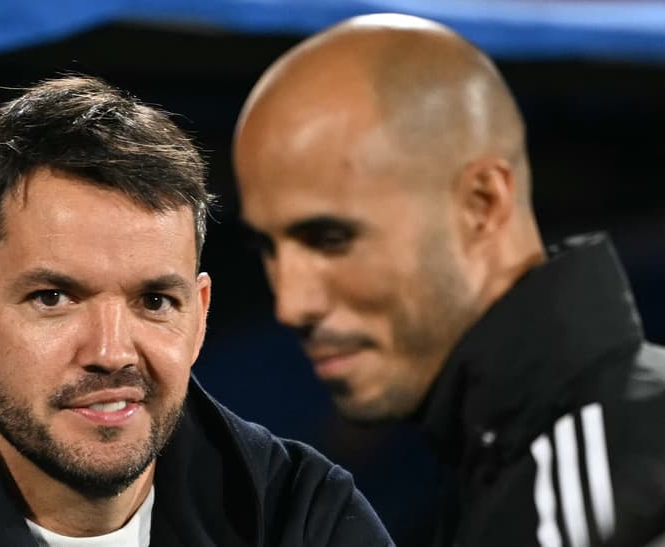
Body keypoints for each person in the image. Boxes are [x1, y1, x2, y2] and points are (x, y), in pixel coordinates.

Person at [0, 75, 392, 546]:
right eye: (53, 299)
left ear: (199, 316)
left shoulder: (301, 515)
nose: (111, 352)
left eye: (155, 301)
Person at [233, 13, 665, 547]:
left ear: (482, 205)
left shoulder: (609, 488)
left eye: (330, 238)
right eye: (269, 250)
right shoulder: (521, 469)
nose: (291, 305)